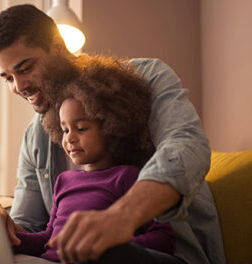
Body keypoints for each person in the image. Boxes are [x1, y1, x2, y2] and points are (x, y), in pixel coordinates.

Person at [0, 4, 225, 264]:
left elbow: (186, 146)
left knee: (98, 253)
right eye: (7, 78)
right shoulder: (36, 136)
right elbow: (32, 228)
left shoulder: (145, 77)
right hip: (65, 257)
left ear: (58, 46)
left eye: (25, 68)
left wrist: (121, 217)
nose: (19, 87)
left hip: (169, 255)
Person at [13, 56, 180, 263]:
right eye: (64, 130)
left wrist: (108, 243)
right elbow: (49, 239)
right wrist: (12, 238)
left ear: (111, 126)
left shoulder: (129, 177)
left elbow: (164, 240)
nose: (70, 138)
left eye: (81, 128)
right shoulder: (64, 181)